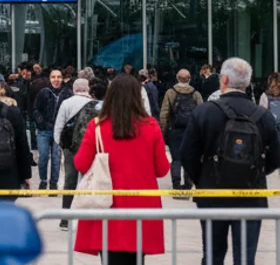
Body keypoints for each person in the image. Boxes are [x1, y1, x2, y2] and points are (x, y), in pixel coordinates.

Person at [181, 58, 280, 265]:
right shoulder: (264, 116)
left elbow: (187, 155)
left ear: (223, 80)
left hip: (212, 194)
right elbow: (276, 157)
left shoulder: (204, 112)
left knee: (213, 255)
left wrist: (203, 177)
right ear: (248, 82)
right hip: (252, 195)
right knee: (245, 257)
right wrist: (256, 171)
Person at [73, 74, 170, 264]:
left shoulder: (98, 126)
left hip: (107, 206)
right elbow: (162, 169)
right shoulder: (151, 126)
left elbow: (81, 164)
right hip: (142, 208)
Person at [53, 78, 98, 223]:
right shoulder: (96, 105)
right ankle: (88, 217)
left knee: (69, 181)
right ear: (88, 89)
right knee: (88, 181)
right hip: (90, 149)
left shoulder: (67, 103)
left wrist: (61, 145)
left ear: (74, 89)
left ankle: (65, 217)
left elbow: (58, 126)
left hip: (70, 149)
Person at [160, 68, 203, 191]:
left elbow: (164, 114)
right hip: (191, 131)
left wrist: (164, 132)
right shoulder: (196, 94)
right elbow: (201, 114)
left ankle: (176, 184)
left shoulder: (170, 92)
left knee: (176, 158)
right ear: (189, 79)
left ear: (177, 78)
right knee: (189, 157)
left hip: (174, 130)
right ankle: (188, 184)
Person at [33, 68, 65, 191]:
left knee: (56, 158)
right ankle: (43, 180)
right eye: (53, 77)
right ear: (49, 78)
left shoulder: (65, 93)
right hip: (44, 130)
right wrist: (41, 123)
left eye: (59, 77)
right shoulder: (43, 92)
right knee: (43, 156)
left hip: (58, 130)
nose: (56, 80)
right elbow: (35, 109)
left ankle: (53, 183)